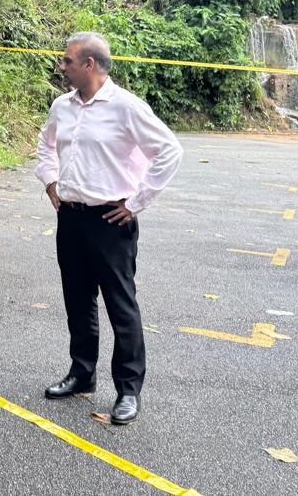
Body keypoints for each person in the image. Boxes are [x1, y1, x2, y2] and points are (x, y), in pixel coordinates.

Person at [34, 32, 182, 425]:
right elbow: (45, 145)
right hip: (71, 218)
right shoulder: (61, 107)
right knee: (77, 301)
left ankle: (128, 391)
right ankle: (82, 375)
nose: (60, 66)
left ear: (89, 65)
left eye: (67, 60)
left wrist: (136, 203)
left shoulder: (126, 107)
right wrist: (50, 181)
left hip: (110, 222)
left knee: (121, 307)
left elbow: (169, 150)